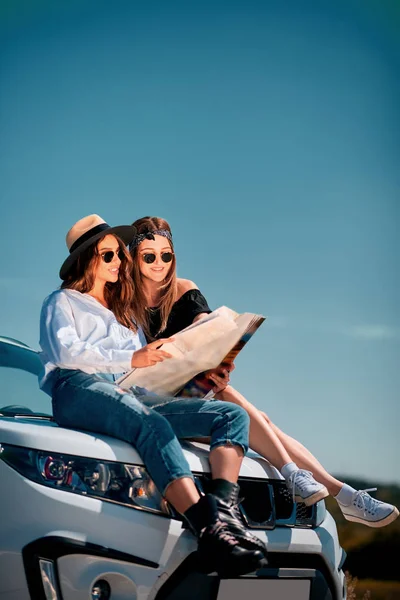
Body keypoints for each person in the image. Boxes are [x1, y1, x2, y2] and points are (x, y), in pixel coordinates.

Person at [129, 216, 399, 529]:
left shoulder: (184, 290)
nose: (159, 263)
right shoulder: (124, 302)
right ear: (134, 258)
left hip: (190, 392)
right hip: (152, 401)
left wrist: (222, 363)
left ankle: (323, 486)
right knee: (255, 416)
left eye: (167, 255)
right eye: (150, 256)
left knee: (229, 393)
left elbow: (209, 336)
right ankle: (334, 491)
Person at [38, 214, 269, 577]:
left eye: (119, 254)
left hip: (130, 392)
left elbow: (147, 372)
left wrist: (207, 372)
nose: (120, 262)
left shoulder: (123, 316)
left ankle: (223, 515)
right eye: (109, 255)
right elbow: (67, 353)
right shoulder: (62, 301)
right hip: (76, 388)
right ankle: (207, 529)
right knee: (152, 425)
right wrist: (132, 356)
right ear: (87, 261)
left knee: (230, 416)